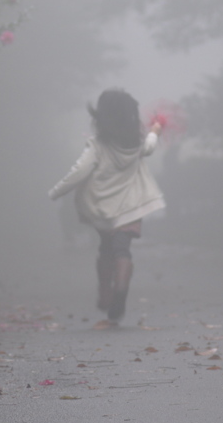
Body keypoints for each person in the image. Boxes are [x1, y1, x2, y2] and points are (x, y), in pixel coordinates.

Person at [48, 89, 165, 325]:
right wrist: (154, 131)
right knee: (123, 250)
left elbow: (79, 172)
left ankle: (106, 292)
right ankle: (121, 289)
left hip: (104, 208)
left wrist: (56, 191)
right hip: (132, 207)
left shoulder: (97, 146)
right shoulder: (136, 143)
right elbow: (150, 147)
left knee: (106, 249)